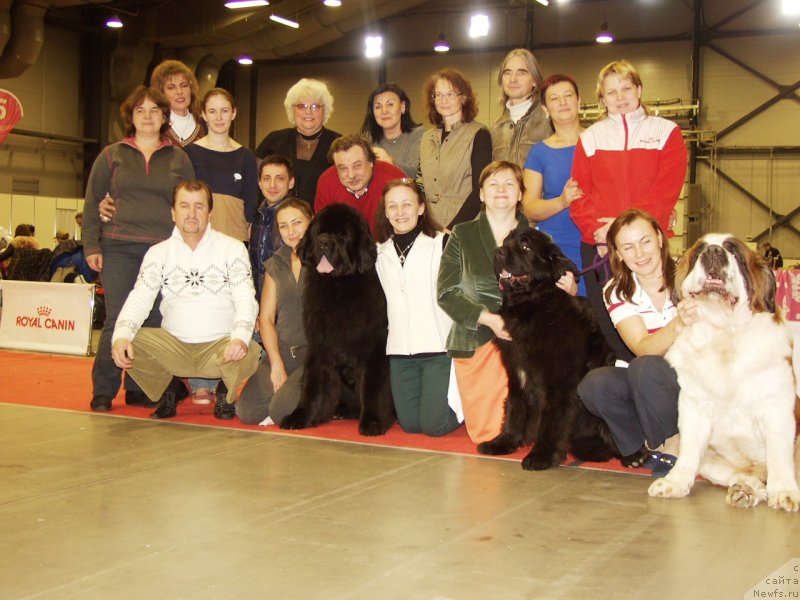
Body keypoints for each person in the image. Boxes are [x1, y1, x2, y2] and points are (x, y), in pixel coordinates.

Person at [437, 160, 576, 444]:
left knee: (535, 434)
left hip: (530, 344)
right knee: (490, 434)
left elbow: (554, 297)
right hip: (478, 336)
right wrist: (489, 318)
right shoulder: (462, 235)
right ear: (481, 194)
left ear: (521, 194)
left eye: (509, 184)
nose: (501, 190)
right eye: (493, 184)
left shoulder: (542, 238)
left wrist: (569, 289)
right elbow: (446, 292)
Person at [83, 85, 195, 412]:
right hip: (118, 247)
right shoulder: (111, 155)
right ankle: (103, 389)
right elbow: (92, 203)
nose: (147, 117)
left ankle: (140, 387)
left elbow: (189, 203)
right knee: (119, 317)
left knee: (154, 320)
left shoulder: (179, 158)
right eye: (140, 111)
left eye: (154, 111)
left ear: (164, 117)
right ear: (131, 118)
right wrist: (92, 244)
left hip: (163, 252)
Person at [110, 179, 259, 420]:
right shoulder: (158, 253)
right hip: (173, 348)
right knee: (128, 340)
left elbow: (246, 298)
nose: (192, 214)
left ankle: (225, 392)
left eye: (199, 206)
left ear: (210, 213)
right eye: (184, 206)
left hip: (220, 349)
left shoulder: (232, 248)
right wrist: (120, 337)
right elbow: (140, 297)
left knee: (251, 349)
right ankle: (172, 387)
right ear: (173, 212)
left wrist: (240, 339)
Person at [570, 59, 688, 362]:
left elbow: (667, 190)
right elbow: (579, 192)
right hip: (598, 243)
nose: (620, 97)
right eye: (611, 92)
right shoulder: (590, 137)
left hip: (646, 243)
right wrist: (597, 232)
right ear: (601, 99)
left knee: (659, 314)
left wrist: (621, 228)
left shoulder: (667, 132)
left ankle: (658, 376)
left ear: (639, 89)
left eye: (626, 88)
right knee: (609, 319)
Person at [577, 209, 697, 475]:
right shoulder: (615, 289)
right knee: (596, 384)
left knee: (646, 368)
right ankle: (644, 444)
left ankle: (674, 442)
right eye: (628, 248)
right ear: (617, 254)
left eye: (645, 242)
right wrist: (678, 323)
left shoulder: (691, 277)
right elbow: (642, 346)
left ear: (660, 238)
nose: (640, 254)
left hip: (694, 377)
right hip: (651, 375)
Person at [375, 178, 461, 437]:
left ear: (421, 207)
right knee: (410, 425)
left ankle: (466, 408)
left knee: (434, 427)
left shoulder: (443, 243)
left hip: (438, 350)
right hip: (400, 352)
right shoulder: (378, 253)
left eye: (406, 204)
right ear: (386, 212)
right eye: (392, 206)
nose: (400, 212)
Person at [237, 198, 314, 426]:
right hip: (281, 351)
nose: (291, 231)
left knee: (281, 412)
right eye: (283, 225)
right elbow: (267, 319)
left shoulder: (325, 260)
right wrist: (276, 363)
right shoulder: (275, 263)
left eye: (297, 223)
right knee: (247, 412)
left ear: (312, 221)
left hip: (313, 356)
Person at [522, 74, 586, 295]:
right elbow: (529, 207)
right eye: (554, 98)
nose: (562, 102)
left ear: (579, 101)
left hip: (598, 246)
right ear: (545, 108)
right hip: (557, 250)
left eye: (568, 96)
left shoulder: (601, 142)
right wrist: (561, 201)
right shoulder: (539, 152)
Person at [419, 69, 492, 230]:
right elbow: (422, 185)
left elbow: (480, 190)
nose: (443, 100)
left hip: (465, 224)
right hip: (430, 225)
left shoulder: (479, 134)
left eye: (450, 94)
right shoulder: (426, 139)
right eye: (438, 95)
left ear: (464, 98)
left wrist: (451, 230)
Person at [183, 88, 258, 243]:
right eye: (212, 111)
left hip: (233, 238)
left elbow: (250, 204)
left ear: (234, 113)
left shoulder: (246, 156)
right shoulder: (189, 153)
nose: (218, 117)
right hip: (197, 237)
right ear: (203, 114)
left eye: (224, 111)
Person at [254, 78, 341, 206]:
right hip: (279, 221)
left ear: (325, 110)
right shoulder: (273, 140)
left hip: (323, 221)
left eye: (315, 106)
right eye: (302, 106)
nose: (308, 112)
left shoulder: (338, 144)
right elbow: (255, 183)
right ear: (293, 109)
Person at [314, 134, 406, 236]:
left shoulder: (394, 179)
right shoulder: (326, 183)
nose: (351, 175)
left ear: (371, 161)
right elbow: (324, 230)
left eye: (357, 166)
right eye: (343, 168)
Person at [490, 48, 552, 167]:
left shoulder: (549, 121)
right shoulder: (495, 129)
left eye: (521, 73)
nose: (513, 79)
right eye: (507, 73)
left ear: (534, 80)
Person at [249, 154, 297, 302]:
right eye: (267, 178)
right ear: (259, 183)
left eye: (280, 178)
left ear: (291, 182)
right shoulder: (256, 217)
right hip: (259, 303)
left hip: (286, 307)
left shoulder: (298, 220)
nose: (272, 185)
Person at [360, 83, 424, 178]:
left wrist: (389, 161)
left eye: (390, 104)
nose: (384, 111)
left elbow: (414, 174)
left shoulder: (419, 135)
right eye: (378, 106)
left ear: (402, 107)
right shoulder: (367, 140)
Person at [150, 59, 206, 147]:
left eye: (184, 85)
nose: (179, 92)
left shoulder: (205, 125)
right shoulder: (155, 128)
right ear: (161, 93)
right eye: (171, 87)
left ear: (190, 89)